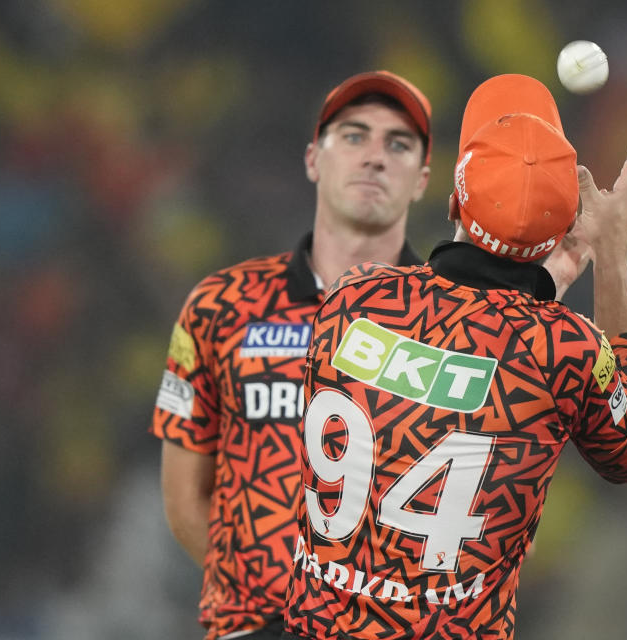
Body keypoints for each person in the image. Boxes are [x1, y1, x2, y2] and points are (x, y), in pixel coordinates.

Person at [281, 74, 627, 639]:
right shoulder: (564, 350)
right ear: (564, 225)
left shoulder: (351, 299)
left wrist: (537, 289)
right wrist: (610, 260)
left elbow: (461, 348)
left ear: (456, 199)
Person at [150, 70, 432, 640]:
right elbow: (184, 498)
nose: (375, 156)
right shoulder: (221, 305)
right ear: (312, 159)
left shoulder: (457, 326)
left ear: (423, 180)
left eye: (398, 144)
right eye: (353, 136)